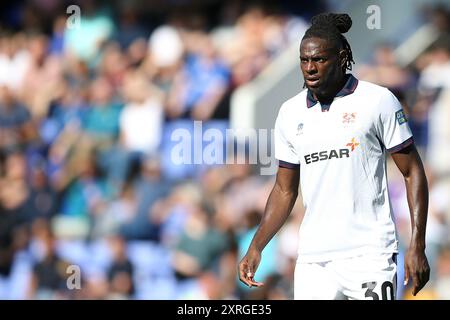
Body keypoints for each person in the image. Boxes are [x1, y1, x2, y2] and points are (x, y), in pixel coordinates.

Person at [238, 13, 430, 300]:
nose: (310, 68)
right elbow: (283, 189)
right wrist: (256, 245)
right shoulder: (290, 114)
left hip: (370, 254)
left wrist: (417, 244)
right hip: (314, 259)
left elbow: (412, 171)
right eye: (304, 60)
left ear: (342, 58)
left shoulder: (377, 101)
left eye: (319, 60)